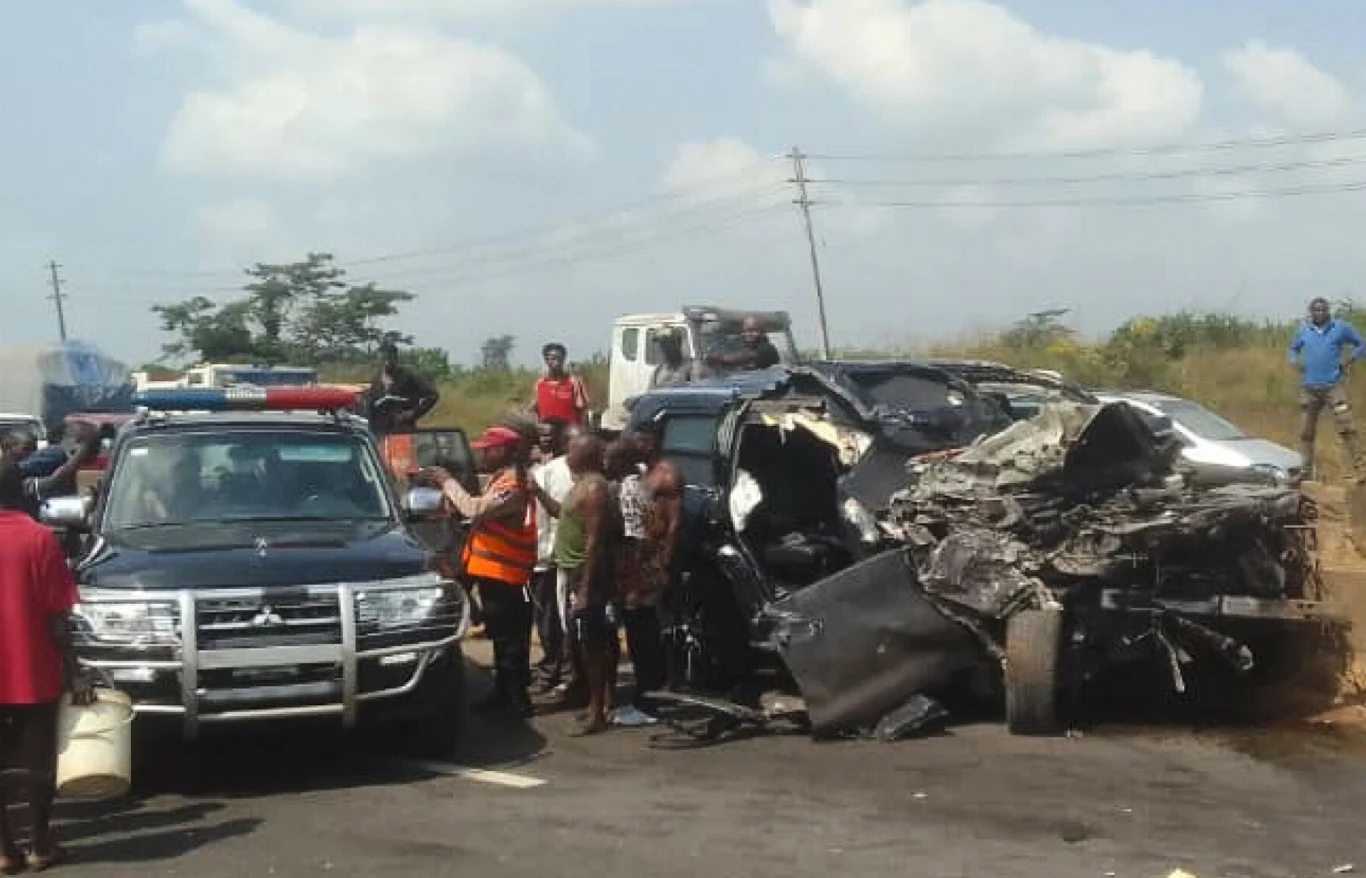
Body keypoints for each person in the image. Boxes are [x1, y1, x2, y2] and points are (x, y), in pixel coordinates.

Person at [0, 460, 94, 873]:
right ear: (19, 491)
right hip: (32, 670)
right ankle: (39, 845)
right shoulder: (39, 540)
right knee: (38, 761)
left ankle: (4, 851)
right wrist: (76, 669)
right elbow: (58, 619)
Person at [426, 424, 537, 718]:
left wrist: (449, 482)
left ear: (504, 451)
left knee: (510, 643)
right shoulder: (502, 479)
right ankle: (503, 695)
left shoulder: (512, 484)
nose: (483, 456)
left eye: (488, 450)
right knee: (502, 640)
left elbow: (475, 509)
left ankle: (515, 701)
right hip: (493, 573)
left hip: (506, 575)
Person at [554, 433, 621, 735]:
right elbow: (566, 516)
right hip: (575, 572)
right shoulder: (580, 485)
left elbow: (594, 542)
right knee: (588, 642)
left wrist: (584, 590)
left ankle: (597, 712)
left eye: (571, 450)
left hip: (588, 574)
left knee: (591, 644)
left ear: (586, 455)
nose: (566, 455)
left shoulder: (594, 488)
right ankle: (601, 703)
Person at [625, 422, 685, 696]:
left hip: (656, 559)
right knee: (640, 623)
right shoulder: (644, 473)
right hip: (642, 557)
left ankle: (663, 681)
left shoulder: (667, 474)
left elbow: (674, 523)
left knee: (656, 623)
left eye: (638, 441)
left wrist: (664, 564)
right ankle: (648, 681)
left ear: (651, 443)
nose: (633, 446)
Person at [1289, 297, 1366, 482]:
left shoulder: (1340, 328)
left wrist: (1349, 359)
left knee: (1347, 427)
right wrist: (1294, 361)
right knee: (1306, 433)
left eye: (1323, 309)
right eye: (1316, 310)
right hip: (1310, 389)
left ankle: (1361, 469)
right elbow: (1293, 349)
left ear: (1328, 311)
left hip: (1334, 387)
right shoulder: (1304, 330)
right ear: (1311, 312)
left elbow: (1362, 344)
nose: (1320, 313)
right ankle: (1305, 472)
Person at [529, 418, 575, 692]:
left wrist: (542, 555)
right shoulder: (545, 470)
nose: (544, 439)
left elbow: (546, 518)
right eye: (540, 435)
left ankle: (556, 671)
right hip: (551, 555)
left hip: (555, 556)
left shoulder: (551, 472)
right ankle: (557, 669)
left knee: (556, 618)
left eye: (550, 435)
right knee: (552, 618)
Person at [1, 425, 100, 519]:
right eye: (94, 446)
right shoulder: (56, 454)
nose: (97, 451)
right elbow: (16, 471)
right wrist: (77, 457)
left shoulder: (64, 460)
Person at [367, 341, 440, 435]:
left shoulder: (408, 376)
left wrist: (412, 413)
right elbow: (371, 408)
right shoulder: (375, 380)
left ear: (395, 357)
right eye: (383, 357)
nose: (386, 361)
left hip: (403, 431)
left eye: (389, 357)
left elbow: (432, 395)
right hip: (381, 433)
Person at [534, 343, 590, 428]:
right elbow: (534, 409)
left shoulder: (573, 382)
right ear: (546, 360)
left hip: (569, 433)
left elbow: (582, 410)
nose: (556, 362)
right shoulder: (540, 384)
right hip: (545, 432)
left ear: (564, 359)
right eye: (552, 359)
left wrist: (583, 431)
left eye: (559, 358)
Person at [707, 315, 781, 373]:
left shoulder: (767, 349)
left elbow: (745, 357)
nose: (748, 334)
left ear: (762, 332)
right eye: (745, 331)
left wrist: (720, 359)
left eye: (753, 331)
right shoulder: (743, 344)